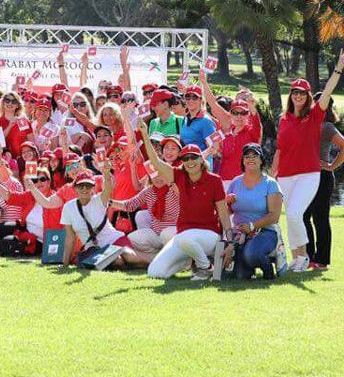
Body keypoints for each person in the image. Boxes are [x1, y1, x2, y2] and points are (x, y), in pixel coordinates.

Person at [271, 55, 344, 272]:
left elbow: (328, 92)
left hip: (309, 174)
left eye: (302, 93)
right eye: (295, 92)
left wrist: (339, 69)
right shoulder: (284, 119)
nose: (298, 96)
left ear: (308, 96)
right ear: (290, 95)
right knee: (294, 217)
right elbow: (280, 150)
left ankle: (304, 257)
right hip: (285, 175)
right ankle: (299, 257)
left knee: (294, 214)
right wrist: (272, 174)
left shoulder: (314, 116)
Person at [141, 120, 233, 281]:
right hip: (184, 237)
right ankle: (189, 261)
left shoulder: (214, 180)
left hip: (210, 235)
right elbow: (155, 161)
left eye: (193, 158)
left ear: (201, 160)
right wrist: (144, 134)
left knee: (184, 238)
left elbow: (224, 213)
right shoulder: (178, 175)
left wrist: (229, 241)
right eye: (185, 159)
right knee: (155, 273)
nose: (190, 162)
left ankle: (205, 268)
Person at [227, 144, 283, 280]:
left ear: (261, 160)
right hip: (239, 234)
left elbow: (274, 216)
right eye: (247, 156)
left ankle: (268, 270)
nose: (250, 159)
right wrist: (227, 202)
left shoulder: (270, 183)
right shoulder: (235, 182)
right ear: (243, 160)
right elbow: (227, 212)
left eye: (255, 156)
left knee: (251, 255)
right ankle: (248, 265)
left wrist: (252, 226)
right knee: (240, 276)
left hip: (265, 232)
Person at [303, 93, 344, 270]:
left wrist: (331, 166)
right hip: (303, 177)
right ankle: (309, 257)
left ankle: (322, 260)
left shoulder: (326, 127)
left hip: (322, 177)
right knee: (303, 217)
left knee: (320, 219)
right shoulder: (304, 124)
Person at [58, 166, 119, 267]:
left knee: (129, 257)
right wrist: (65, 264)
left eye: (88, 185)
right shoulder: (68, 207)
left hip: (115, 240)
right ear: (75, 188)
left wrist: (107, 173)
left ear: (93, 188)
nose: (84, 189)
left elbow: (108, 189)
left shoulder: (100, 199)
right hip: (95, 248)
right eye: (81, 186)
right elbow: (70, 238)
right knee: (118, 261)